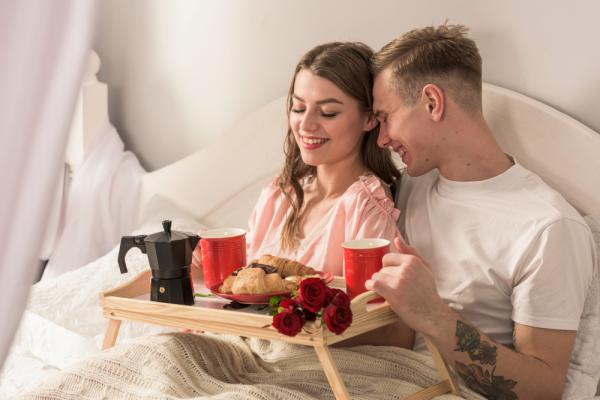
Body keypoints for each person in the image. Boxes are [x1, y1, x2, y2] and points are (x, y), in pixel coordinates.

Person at [365, 24, 596, 400]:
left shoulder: (546, 227)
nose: (383, 139)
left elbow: (544, 389)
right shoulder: (407, 188)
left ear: (432, 103)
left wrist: (433, 314)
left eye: (386, 117)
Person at [193, 42, 408, 317]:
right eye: (298, 108)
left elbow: (377, 316)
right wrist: (197, 267)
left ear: (368, 118)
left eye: (328, 112)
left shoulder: (366, 206)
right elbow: (240, 288)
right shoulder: (280, 196)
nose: (306, 125)